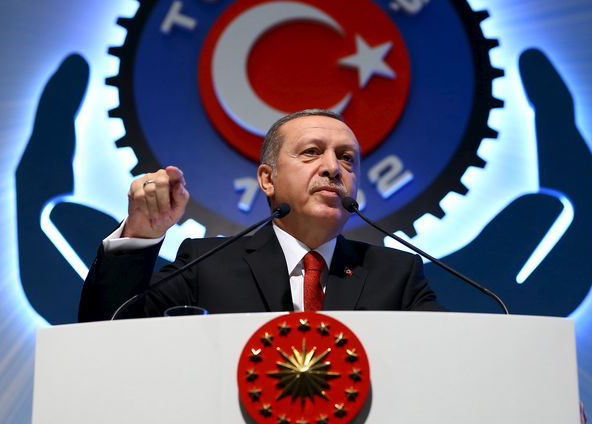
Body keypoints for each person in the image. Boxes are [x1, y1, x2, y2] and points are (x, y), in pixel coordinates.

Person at [78, 109, 444, 321]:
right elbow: (107, 327)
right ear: (268, 180)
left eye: (347, 158)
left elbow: (451, 356)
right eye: (312, 152)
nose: (333, 167)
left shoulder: (397, 275)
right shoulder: (207, 265)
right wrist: (140, 236)